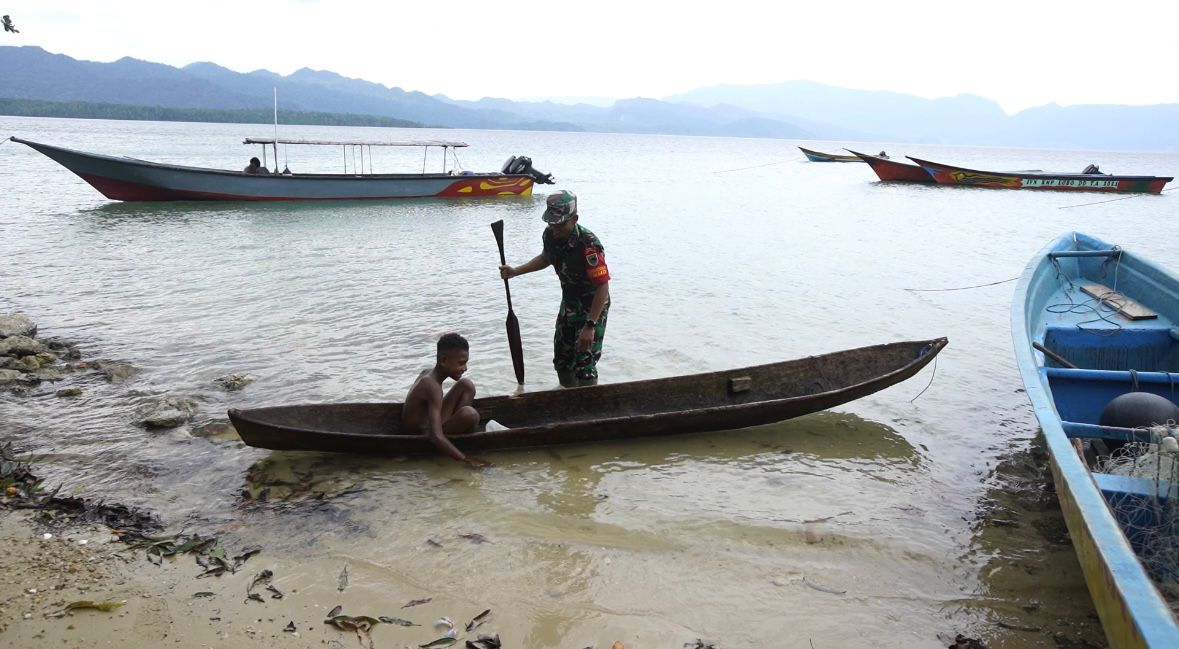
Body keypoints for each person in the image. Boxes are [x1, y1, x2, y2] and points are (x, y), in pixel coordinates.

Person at [499, 190, 611, 388]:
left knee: (585, 364)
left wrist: (590, 326)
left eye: (560, 224)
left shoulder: (588, 246)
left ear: (574, 218)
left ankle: (589, 409)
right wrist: (516, 271)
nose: (554, 228)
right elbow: (546, 258)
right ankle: (566, 402)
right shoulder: (550, 234)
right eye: (551, 223)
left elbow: (602, 286)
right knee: (562, 360)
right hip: (568, 303)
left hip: (592, 306)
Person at [400, 333, 489, 468]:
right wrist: (467, 460)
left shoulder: (429, 373)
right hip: (425, 433)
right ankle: (462, 438)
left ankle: (462, 432)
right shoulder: (432, 386)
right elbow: (436, 436)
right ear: (443, 361)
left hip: (430, 423)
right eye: (461, 363)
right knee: (470, 414)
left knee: (467, 385)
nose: (465, 368)